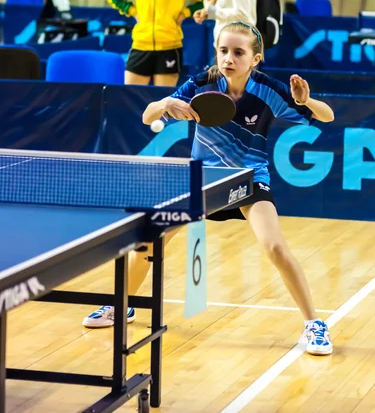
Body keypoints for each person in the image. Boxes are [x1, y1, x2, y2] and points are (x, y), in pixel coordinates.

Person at [83, 21, 334, 357]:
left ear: (255, 59)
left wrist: (308, 100)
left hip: (249, 179)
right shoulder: (203, 83)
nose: (229, 58)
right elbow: (147, 116)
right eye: (223, 50)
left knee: (273, 246)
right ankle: (122, 305)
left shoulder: (269, 90)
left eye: (238, 52)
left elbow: (328, 116)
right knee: (148, 240)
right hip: (203, 179)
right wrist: (166, 106)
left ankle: (314, 323)